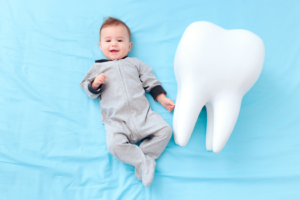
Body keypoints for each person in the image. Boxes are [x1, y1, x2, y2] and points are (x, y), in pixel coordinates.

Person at [80, 17, 175, 187]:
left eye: (119, 40)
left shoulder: (135, 63)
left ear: (129, 46)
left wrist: (162, 99)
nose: (113, 44)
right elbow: (87, 89)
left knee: (166, 131)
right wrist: (95, 84)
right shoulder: (97, 69)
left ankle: (143, 160)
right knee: (114, 146)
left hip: (143, 116)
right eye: (108, 41)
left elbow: (151, 82)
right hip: (117, 121)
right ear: (100, 46)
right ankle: (144, 162)